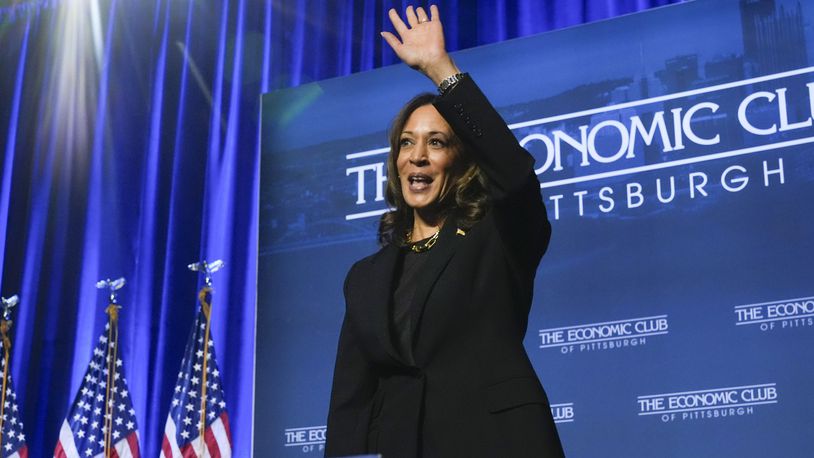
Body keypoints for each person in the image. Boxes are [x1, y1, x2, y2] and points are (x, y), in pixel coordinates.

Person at [326, 5, 564, 458]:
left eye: (436, 142)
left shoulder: (496, 237)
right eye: (406, 142)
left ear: (461, 161)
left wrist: (441, 69)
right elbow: (350, 401)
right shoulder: (365, 277)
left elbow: (514, 175)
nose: (417, 156)